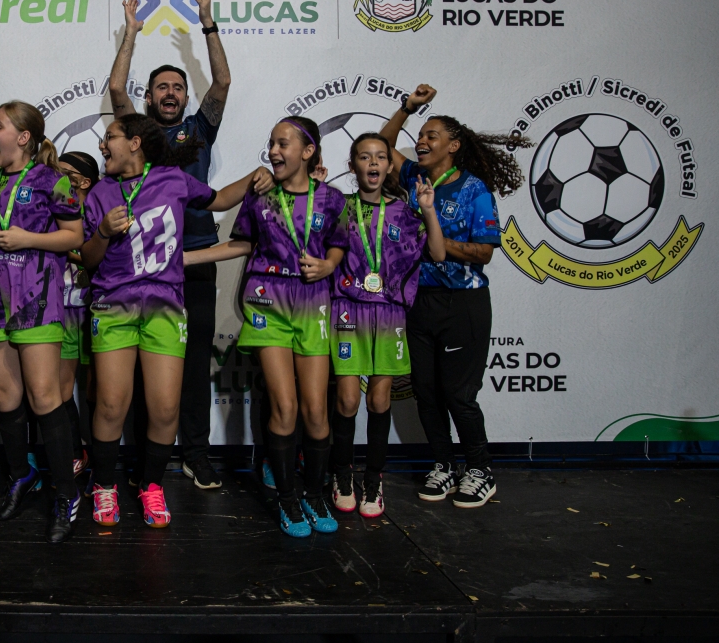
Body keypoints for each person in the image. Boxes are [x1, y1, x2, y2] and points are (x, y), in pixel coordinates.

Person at [82, 114, 262, 529]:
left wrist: (256, 175)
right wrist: (103, 232)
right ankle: (104, 485)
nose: (103, 145)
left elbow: (220, 199)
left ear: (135, 143)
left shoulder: (173, 180)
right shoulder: (100, 192)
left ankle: (151, 485)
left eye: (110, 137)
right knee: (111, 404)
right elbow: (89, 260)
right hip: (114, 306)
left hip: (165, 305)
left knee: (165, 408)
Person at [185, 117, 346, 537]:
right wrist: (184, 258)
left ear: (308, 152)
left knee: (316, 411)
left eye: (283, 144)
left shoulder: (332, 198)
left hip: (312, 304)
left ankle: (314, 495)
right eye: (271, 143)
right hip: (267, 304)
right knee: (285, 407)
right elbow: (243, 243)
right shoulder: (261, 196)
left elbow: (340, 245)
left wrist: (328, 264)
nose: (273, 151)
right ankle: (287, 499)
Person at [380, 85, 531, 508]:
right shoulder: (414, 177)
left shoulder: (473, 189)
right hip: (418, 301)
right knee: (426, 393)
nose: (421, 141)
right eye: (420, 135)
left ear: (454, 145)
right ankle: (444, 465)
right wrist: (406, 108)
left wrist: (434, 240)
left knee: (458, 396)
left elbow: (484, 251)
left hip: (462, 303)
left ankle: (480, 470)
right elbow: (384, 146)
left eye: (432, 135)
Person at [108, 0, 230, 492]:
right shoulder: (139, 136)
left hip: (195, 260)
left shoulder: (199, 129)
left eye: (177, 86)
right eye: (161, 86)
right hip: (142, 265)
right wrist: (131, 35)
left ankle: (197, 455)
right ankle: (145, 463)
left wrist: (208, 23)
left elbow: (222, 82)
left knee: (195, 362)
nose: (171, 92)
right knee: (142, 368)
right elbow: (117, 88)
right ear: (151, 97)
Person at [0, 101, 85, 544]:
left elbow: (75, 236)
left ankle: (66, 493)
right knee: (5, 399)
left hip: (37, 300)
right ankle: (21, 475)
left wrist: (29, 238)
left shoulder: (52, 179)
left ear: (23, 137)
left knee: (45, 398)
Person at [328, 133, 445, 519]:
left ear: (390, 166)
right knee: (347, 401)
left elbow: (438, 253)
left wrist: (428, 209)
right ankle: (342, 476)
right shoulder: (339, 209)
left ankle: (373, 480)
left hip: (390, 313)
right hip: (348, 310)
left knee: (379, 401)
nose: (373, 163)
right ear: (353, 166)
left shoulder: (405, 213)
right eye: (365, 157)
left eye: (380, 156)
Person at [57, 151, 101, 475]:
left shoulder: (100, 211)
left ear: (84, 181)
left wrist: (68, 249)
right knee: (60, 389)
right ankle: (75, 452)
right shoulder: (55, 209)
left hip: (96, 306)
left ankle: (99, 461)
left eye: (64, 173)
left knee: (97, 390)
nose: (56, 177)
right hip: (61, 306)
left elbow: (96, 258)